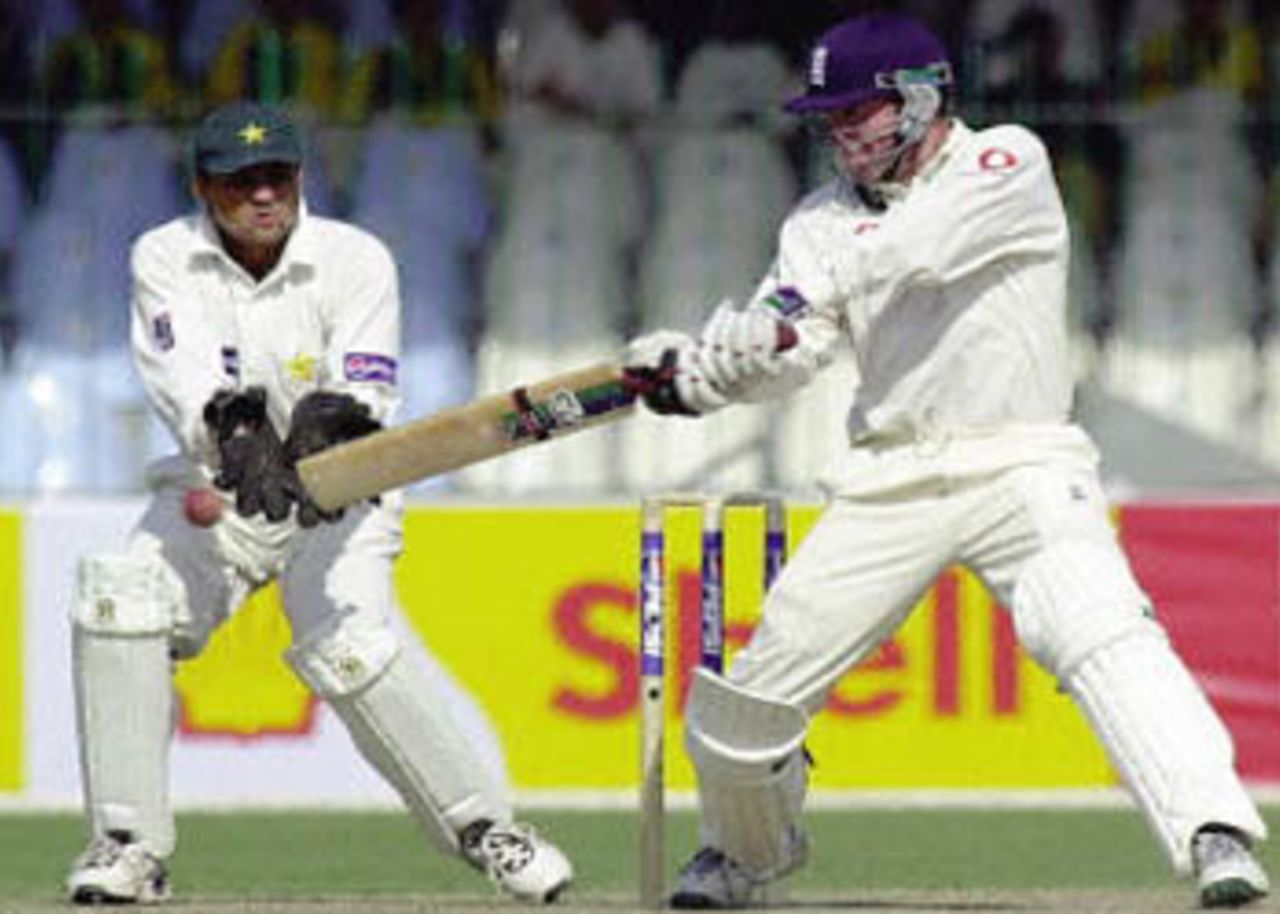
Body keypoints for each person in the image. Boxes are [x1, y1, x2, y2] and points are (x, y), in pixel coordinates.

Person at [622, 13, 1270, 910]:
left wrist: (780, 319)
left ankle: (1213, 833)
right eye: (831, 117)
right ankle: (743, 852)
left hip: (1021, 461)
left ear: (920, 100)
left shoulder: (1006, 162)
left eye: (858, 111)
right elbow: (794, 355)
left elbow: (911, 254)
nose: (841, 133)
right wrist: (700, 376)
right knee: (746, 707)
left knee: (1100, 628)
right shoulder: (817, 222)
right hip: (889, 477)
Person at [63, 100, 573, 906]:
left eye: (277, 177)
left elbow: (363, 390)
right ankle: (127, 847)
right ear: (202, 187)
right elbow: (186, 378)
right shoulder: (164, 254)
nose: (263, 196)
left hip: (341, 493)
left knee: (350, 646)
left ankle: (490, 830)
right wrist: (237, 438)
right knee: (119, 596)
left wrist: (319, 445)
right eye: (241, 181)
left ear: (301, 177)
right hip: (220, 492)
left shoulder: (354, 257)